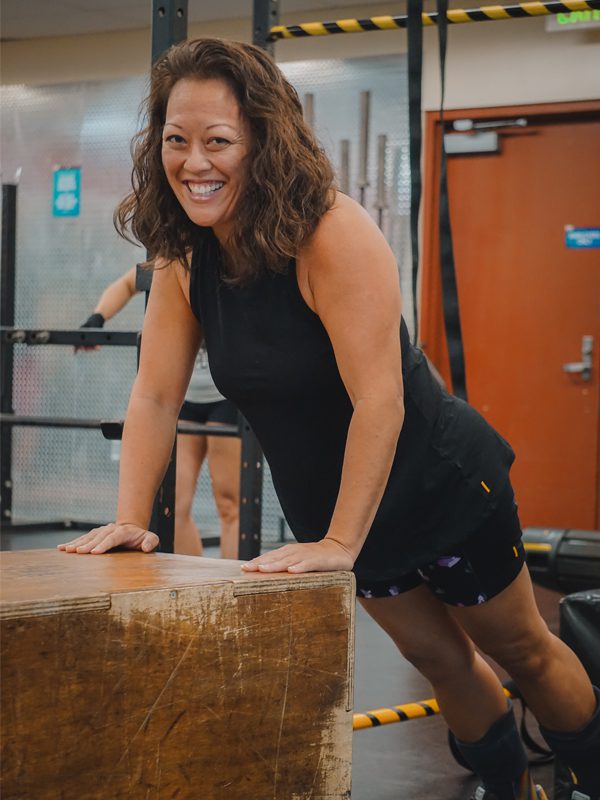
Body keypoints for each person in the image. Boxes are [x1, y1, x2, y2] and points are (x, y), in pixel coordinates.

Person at [59, 38, 599, 800]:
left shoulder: (330, 234)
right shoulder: (183, 259)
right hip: (338, 513)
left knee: (523, 651)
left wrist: (344, 541)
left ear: (263, 143)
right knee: (441, 661)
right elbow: (153, 395)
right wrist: (127, 518)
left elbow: (382, 396)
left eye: (218, 141)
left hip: (435, 486)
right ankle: (511, 789)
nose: (194, 162)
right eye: (176, 141)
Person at [76, 266, 241, 558]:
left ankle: (237, 588)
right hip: (185, 397)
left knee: (229, 504)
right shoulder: (176, 257)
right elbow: (127, 284)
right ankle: (200, 585)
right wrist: (97, 318)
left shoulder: (232, 259)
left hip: (225, 398)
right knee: (175, 505)